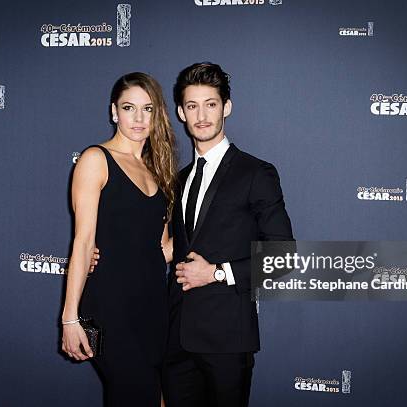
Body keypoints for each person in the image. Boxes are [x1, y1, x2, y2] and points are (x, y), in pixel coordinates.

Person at [162, 62, 294, 407]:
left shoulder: (256, 173)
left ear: (227, 107)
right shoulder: (179, 179)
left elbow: (284, 256)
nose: (202, 115)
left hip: (227, 341)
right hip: (176, 340)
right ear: (181, 112)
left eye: (211, 104)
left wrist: (218, 272)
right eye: (192, 106)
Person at [61, 72, 177, 407]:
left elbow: (163, 249)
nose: (139, 118)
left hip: (153, 307)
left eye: (147, 109)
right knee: (134, 392)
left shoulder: (159, 169)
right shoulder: (96, 160)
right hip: (111, 307)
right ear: (114, 111)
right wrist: (70, 317)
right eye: (129, 108)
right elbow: (83, 243)